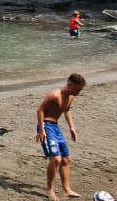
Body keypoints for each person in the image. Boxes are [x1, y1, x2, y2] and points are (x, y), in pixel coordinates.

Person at [36, 72, 86, 200]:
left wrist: (72, 128)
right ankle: (50, 190)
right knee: (56, 159)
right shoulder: (54, 95)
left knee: (66, 159)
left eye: (79, 90)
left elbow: (67, 111)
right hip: (46, 126)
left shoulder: (70, 97)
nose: (78, 92)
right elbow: (40, 110)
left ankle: (66, 189)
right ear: (69, 84)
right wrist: (41, 130)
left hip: (56, 127)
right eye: (76, 89)